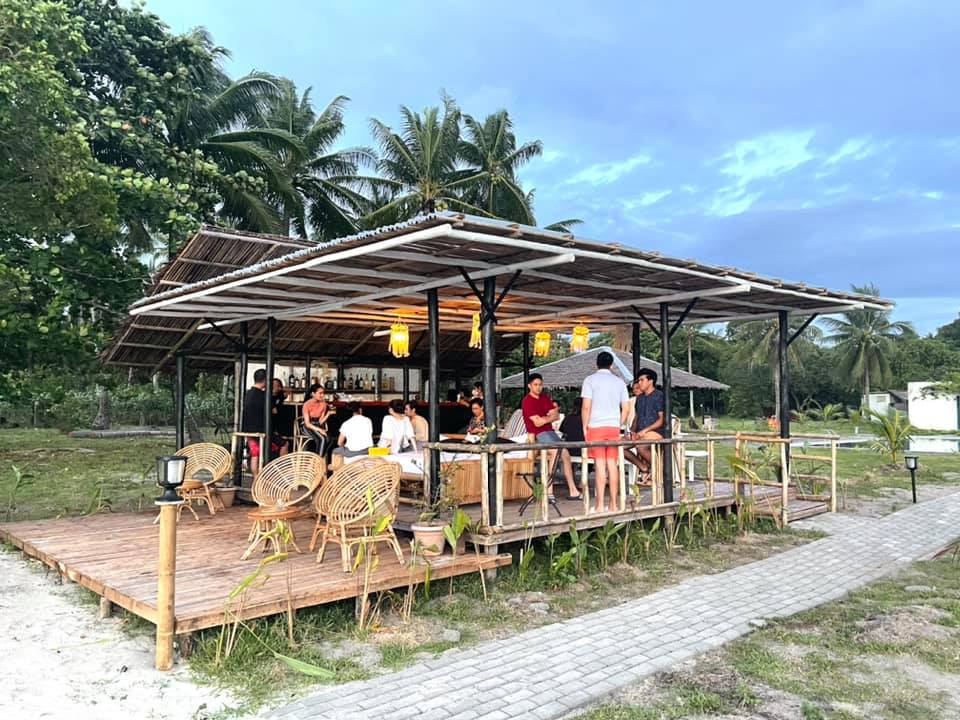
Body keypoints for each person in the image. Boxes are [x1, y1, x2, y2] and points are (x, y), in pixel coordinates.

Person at [581, 351, 631, 513]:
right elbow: (626, 407)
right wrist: (619, 423)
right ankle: (614, 505)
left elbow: (586, 406)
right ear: (611, 365)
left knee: (600, 466)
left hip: (596, 426)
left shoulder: (590, 380)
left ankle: (599, 505)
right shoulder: (619, 382)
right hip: (613, 427)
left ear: (597, 363)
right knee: (612, 465)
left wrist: (585, 426)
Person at [521, 373, 580, 499]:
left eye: (540, 385)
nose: (538, 387)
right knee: (555, 452)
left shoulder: (544, 398)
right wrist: (549, 418)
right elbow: (537, 423)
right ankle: (548, 489)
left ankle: (573, 490)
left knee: (565, 454)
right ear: (529, 386)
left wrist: (545, 419)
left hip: (549, 432)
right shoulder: (527, 401)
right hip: (538, 434)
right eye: (535, 385)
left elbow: (556, 415)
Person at [241, 369, 288, 479]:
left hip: (248, 429)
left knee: (255, 453)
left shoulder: (248, 393)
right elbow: (274, 411)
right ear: (265, 380)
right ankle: (280, 473)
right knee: (284, 444)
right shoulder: (265, 396)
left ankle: (256, 478)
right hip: (262, 429)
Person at [631, 368, 665, 481]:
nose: (639, 383)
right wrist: (632, 431)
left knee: (640, 446)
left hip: (657, 432)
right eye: (639, 380)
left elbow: (662, 420)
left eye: (642, 380)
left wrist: (644, 431)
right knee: (620, 445)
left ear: (650, 381)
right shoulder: (639, 398)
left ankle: (659, 471)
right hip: (641, 433)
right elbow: (636, 417)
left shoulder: (659, 396)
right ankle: (643, 466)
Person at [301, 383, 333, 457]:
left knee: (329, 439)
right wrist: (320, 430)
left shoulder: (323, 404)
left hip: (317, 425)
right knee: (322, 439)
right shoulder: (306, 404)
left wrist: (328, 414)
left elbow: (320, 422)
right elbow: (308, 424)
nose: (322, 395)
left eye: (323, 393)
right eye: (320, 393)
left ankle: (316, 460)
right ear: (313, 394)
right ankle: (317, 462)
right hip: (307, 426)